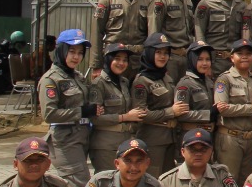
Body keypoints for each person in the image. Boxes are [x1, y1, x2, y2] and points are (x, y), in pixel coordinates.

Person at [41, 29, 100, 187]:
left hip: (82, 135)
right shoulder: (51, 79)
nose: (76, 57)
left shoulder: (77, 76)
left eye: (80, 53)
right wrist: (81, 112)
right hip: (65, 138)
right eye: (72, 51)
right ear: (61, 50)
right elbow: (49, 114)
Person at [212, 40, 252, 180]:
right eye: (240, 53)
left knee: (247, 182)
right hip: (230, 138)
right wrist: (251, 108)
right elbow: (222, 109)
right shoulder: (224, 79)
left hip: (251, 139)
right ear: (232, 57)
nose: (244, 57)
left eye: (248, 54)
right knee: (228, 181)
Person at [133, 32, 186, 176]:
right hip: (152, 139)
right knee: (152, 179)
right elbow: (141, 114)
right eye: (158, 52)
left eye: (165, 53)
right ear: (150, 53)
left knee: (168, 181)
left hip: (170, 138)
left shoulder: (166, 77)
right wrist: (171, 112)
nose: (163, 56)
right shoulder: (141, 81)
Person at [90, 0, 150, 76]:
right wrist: (96, 65)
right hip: (113, 59)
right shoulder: (108, 0)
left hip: (138, 61)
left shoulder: (147, 2)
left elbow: (151, 34)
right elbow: (96, 32)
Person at [89, 43, 142, 173]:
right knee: (107, 184)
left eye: (125, 60)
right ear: (108, 59)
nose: (121, 63)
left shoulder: (124, 82)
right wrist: (124, 117)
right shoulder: (98, 84)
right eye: (117, 59)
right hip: (105, 145)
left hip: (124, 141)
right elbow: (95, 118)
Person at [149, 0, 196, 83]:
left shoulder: (187, 0)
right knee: (168, 94)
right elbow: (154, 33)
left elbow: (191, 30)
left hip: (186, 56)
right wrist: (156, 61)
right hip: (169, 58)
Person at [196, 0, 248, 78]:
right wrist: (205, 63)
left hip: (234, 63)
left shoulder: (243, 5)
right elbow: (199, 34)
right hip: (214, 62)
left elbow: (245, 36)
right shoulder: (206, 4)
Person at [175, 40, 217, 137]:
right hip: (191, 136)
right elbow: (181, 114)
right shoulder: (185, 84)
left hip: (209, 135)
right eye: (200, 59)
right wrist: (208, 114)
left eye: (207, 59)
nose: (205, 63)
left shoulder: (209, 82)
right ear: (192, 59)